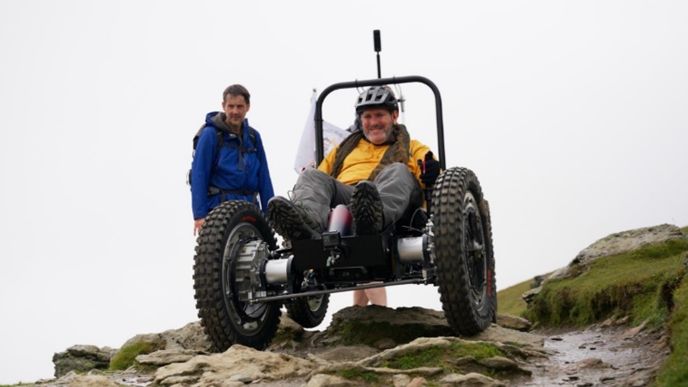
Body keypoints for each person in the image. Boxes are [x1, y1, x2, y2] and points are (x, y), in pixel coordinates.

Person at [267, 85, 440, 306]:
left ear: (394, 116)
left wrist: (432, 170)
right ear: (360, 120)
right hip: (350, 200)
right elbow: (320, 178)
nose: (374, 122)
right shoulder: (344, 148)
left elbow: (436, 176)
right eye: (368, 116)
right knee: (311, 175)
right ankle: (305, 226)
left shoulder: (412, 147)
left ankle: (374, 216)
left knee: (397, 171)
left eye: (380, 115)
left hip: (391, 205)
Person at [191, 84, 274, 235]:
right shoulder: (211, 135)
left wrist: (270, 215)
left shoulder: (253, 137)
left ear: (247, 107)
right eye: (231, 106)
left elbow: (264, 177)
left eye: (240, 106)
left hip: (250, 211)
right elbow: (199, 174)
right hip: (218, 212)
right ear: (223, 106)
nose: (235, 111)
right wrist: (199, 215)